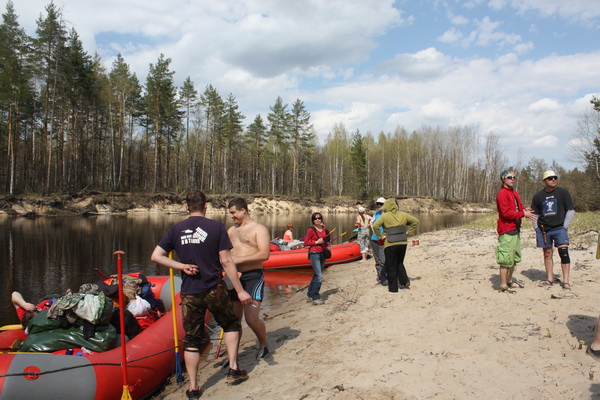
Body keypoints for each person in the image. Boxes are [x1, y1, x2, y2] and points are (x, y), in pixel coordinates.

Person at [150, 191, 252, 399]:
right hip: (214, 288)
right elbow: (226, 261)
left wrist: (181, 266)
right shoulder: (216, 227)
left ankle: (193, 388)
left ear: (187, 207)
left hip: (189, 293)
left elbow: (156, 256)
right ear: (205, 206)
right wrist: (240, 290)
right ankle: (233, 368)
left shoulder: (176, 229)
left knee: (192, 340)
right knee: (231, 324)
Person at [227, 197, 271, 361]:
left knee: (251, 319)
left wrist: (238, 260)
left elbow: (264, 254)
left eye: (233, 212)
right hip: (233, 278)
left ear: (243, 210)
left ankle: (264, 344)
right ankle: (233, 355)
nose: (231, 216)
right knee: (233, 320)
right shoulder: (231, 231)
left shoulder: (259, 229)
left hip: (253, 275)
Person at [531, 170, 575, 290]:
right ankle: (550, 278)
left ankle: (566, 281)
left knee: (564, 253)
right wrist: (536, 227)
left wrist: (565, 226)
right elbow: (534, 213)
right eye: (550, 178)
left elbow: (570, 210)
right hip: (544, 229)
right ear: (544, 181)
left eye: (555, 177)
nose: (553, 180)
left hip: (560, 228)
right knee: (547, 253)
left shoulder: (563, 192)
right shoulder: (538, 196)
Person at [495, 170, 533, 293]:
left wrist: (525, 210)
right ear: (503, 179)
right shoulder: (502, 194)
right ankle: (503, 285)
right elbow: (505, 213)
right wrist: (523, 214)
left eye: (514, 177)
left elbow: (519, 207)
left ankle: (509, 280)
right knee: (505, 258)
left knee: (514, 258)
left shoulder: (515, 193)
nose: (512, 179)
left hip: (515, 230)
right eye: (509, 177)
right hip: (506, 231)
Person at [372, 198, 419, 293]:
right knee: (399, 263)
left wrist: (380, 237)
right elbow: (416, 222)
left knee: (391, 265)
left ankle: (393, 288)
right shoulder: (403, 215)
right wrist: (409, 232)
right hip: (402, 243)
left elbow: (375, 226)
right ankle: (405, 281)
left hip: (390, 244)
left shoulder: (385, 216)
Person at [303, 212, 329, 305]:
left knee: (317, 275)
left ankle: (310, 293)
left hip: (322, 253)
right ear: (313, 220)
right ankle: (315, 296)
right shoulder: (311, 230)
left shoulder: (324, 228)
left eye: (319, 218)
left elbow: (326, 240)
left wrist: (326, 248)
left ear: (321, 219)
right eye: (315, 218)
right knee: (319, 276)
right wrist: (316, 242)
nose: (317, 220)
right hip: (314, 253)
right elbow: (306, 242)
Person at [370, 197, 387, 286]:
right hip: (374, 240)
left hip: (384, 240)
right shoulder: (376, 214)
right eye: (377, 204)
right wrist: (373, 231)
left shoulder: (388, 214)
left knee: (383, 259)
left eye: (381, 204)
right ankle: (380, 277)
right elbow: (371, 222)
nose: (378, 206)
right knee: (377, 260)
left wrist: (386, 235)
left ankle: (385, 277)